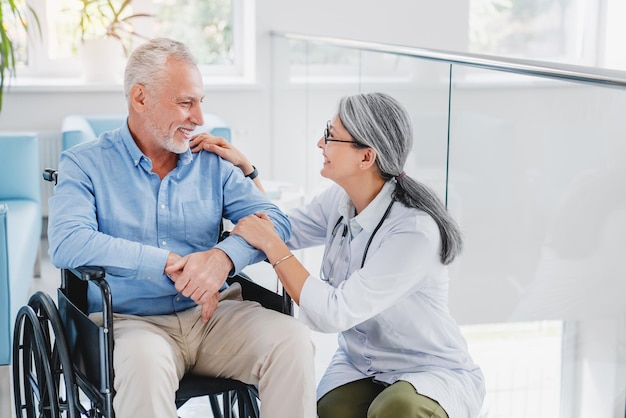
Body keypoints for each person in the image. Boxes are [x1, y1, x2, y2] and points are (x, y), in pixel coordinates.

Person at [47, 37, 316, 418]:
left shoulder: (212, 163)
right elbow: (67, 242)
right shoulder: (85, 163)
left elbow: (276, 221)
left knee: (293, 341)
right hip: (131, 323)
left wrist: (222, 259)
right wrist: (168, 261)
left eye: (200, 102)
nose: (199, 118)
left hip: (214, 316)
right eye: (186, 102)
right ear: (140, 98)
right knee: (143, 367)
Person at [190, 92, 486, 418]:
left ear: (366, 157)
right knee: (331, 409)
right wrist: (248, 172)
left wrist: (273, 247)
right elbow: (283, 228)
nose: (320, 143)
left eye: (331, 136)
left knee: (397, 409)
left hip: (425, 368)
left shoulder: (413, 232)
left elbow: (333, 312)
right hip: (364, 363)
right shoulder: (339, 200)